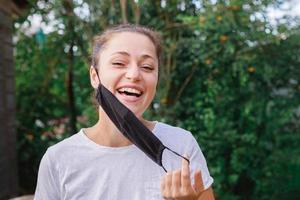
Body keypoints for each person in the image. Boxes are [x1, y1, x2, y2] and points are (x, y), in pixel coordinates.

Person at [34, 24, 214, 200]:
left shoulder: (181, 146)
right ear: (95, 76)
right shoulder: (58, 159)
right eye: (119, 63)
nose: (134, 74)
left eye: (147, 67)